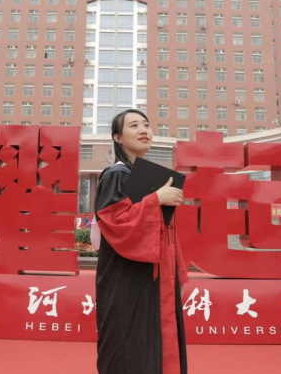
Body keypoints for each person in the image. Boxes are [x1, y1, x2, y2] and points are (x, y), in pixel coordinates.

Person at [94, 109, 189, 374]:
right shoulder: (116, 175)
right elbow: (114, 221)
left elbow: (165, 232)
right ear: (118, 137)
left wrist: (177, 272)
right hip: (127, 277)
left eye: (146, 125)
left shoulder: (151, 179)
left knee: (157, 342)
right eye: (134, 125)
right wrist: (156, 199)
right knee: (129, 343)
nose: (143, 130)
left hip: (157, 276)